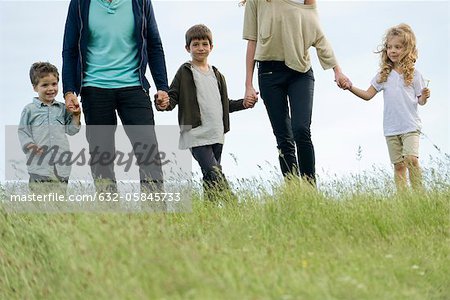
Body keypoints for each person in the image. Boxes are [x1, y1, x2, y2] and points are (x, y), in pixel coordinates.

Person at [62, 0, 170, 194]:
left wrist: (162, 87)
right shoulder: (80, 3)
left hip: (134, 87)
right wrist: (70, 90)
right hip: (94, 88)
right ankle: (109, 217)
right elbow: (70, 49)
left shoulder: (141, 2)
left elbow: (154, 45)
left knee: (149, 154)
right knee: (101, 158)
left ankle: (155, 218)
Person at [241, 0, 349, 185]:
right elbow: (252, 41)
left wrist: (337, 70)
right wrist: (248, 85)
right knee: (283, 137)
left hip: (300, 72)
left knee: (301, 130)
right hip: (269, 73)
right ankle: (293, 191)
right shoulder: (256, 1)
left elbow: (318, 33)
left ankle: (309, 189)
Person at [155, 24, 257, 201]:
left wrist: (244, 103)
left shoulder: (217, 75)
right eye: (195, 44)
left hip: (216, 133)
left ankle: (209, 214)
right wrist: (162, 103)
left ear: (211, 46)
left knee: (210, 177)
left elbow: (225, 105)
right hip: (195, 134)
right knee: (214, 171)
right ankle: (233, 203)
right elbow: (171, 99)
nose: (200, 48)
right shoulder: (185, 72)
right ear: (188, 48)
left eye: (204, 43)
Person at [343, 24, 430, 191]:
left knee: (411, 159)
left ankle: (419, 195)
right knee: (398, 166)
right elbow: (368, 95)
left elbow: (421, 101)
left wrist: (424, 96)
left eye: (398, 47)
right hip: (391, 129)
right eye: (390, 47)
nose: (393, 51)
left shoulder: (414, 75)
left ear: (407, 49)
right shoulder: (383, 75)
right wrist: (350, 87)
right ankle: (403, 201)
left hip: (410, 126)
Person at [18, 62, 81, 193]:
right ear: (35, 87)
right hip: (39, 164)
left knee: (59, 199)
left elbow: (72, 130)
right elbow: (23, 131)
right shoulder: (30, 110)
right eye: (44, 85)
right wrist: (31, 146)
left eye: (54, 84)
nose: (51, 88)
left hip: (61, 164)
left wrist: (76, 115)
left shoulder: (62, 108)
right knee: (39, 199)